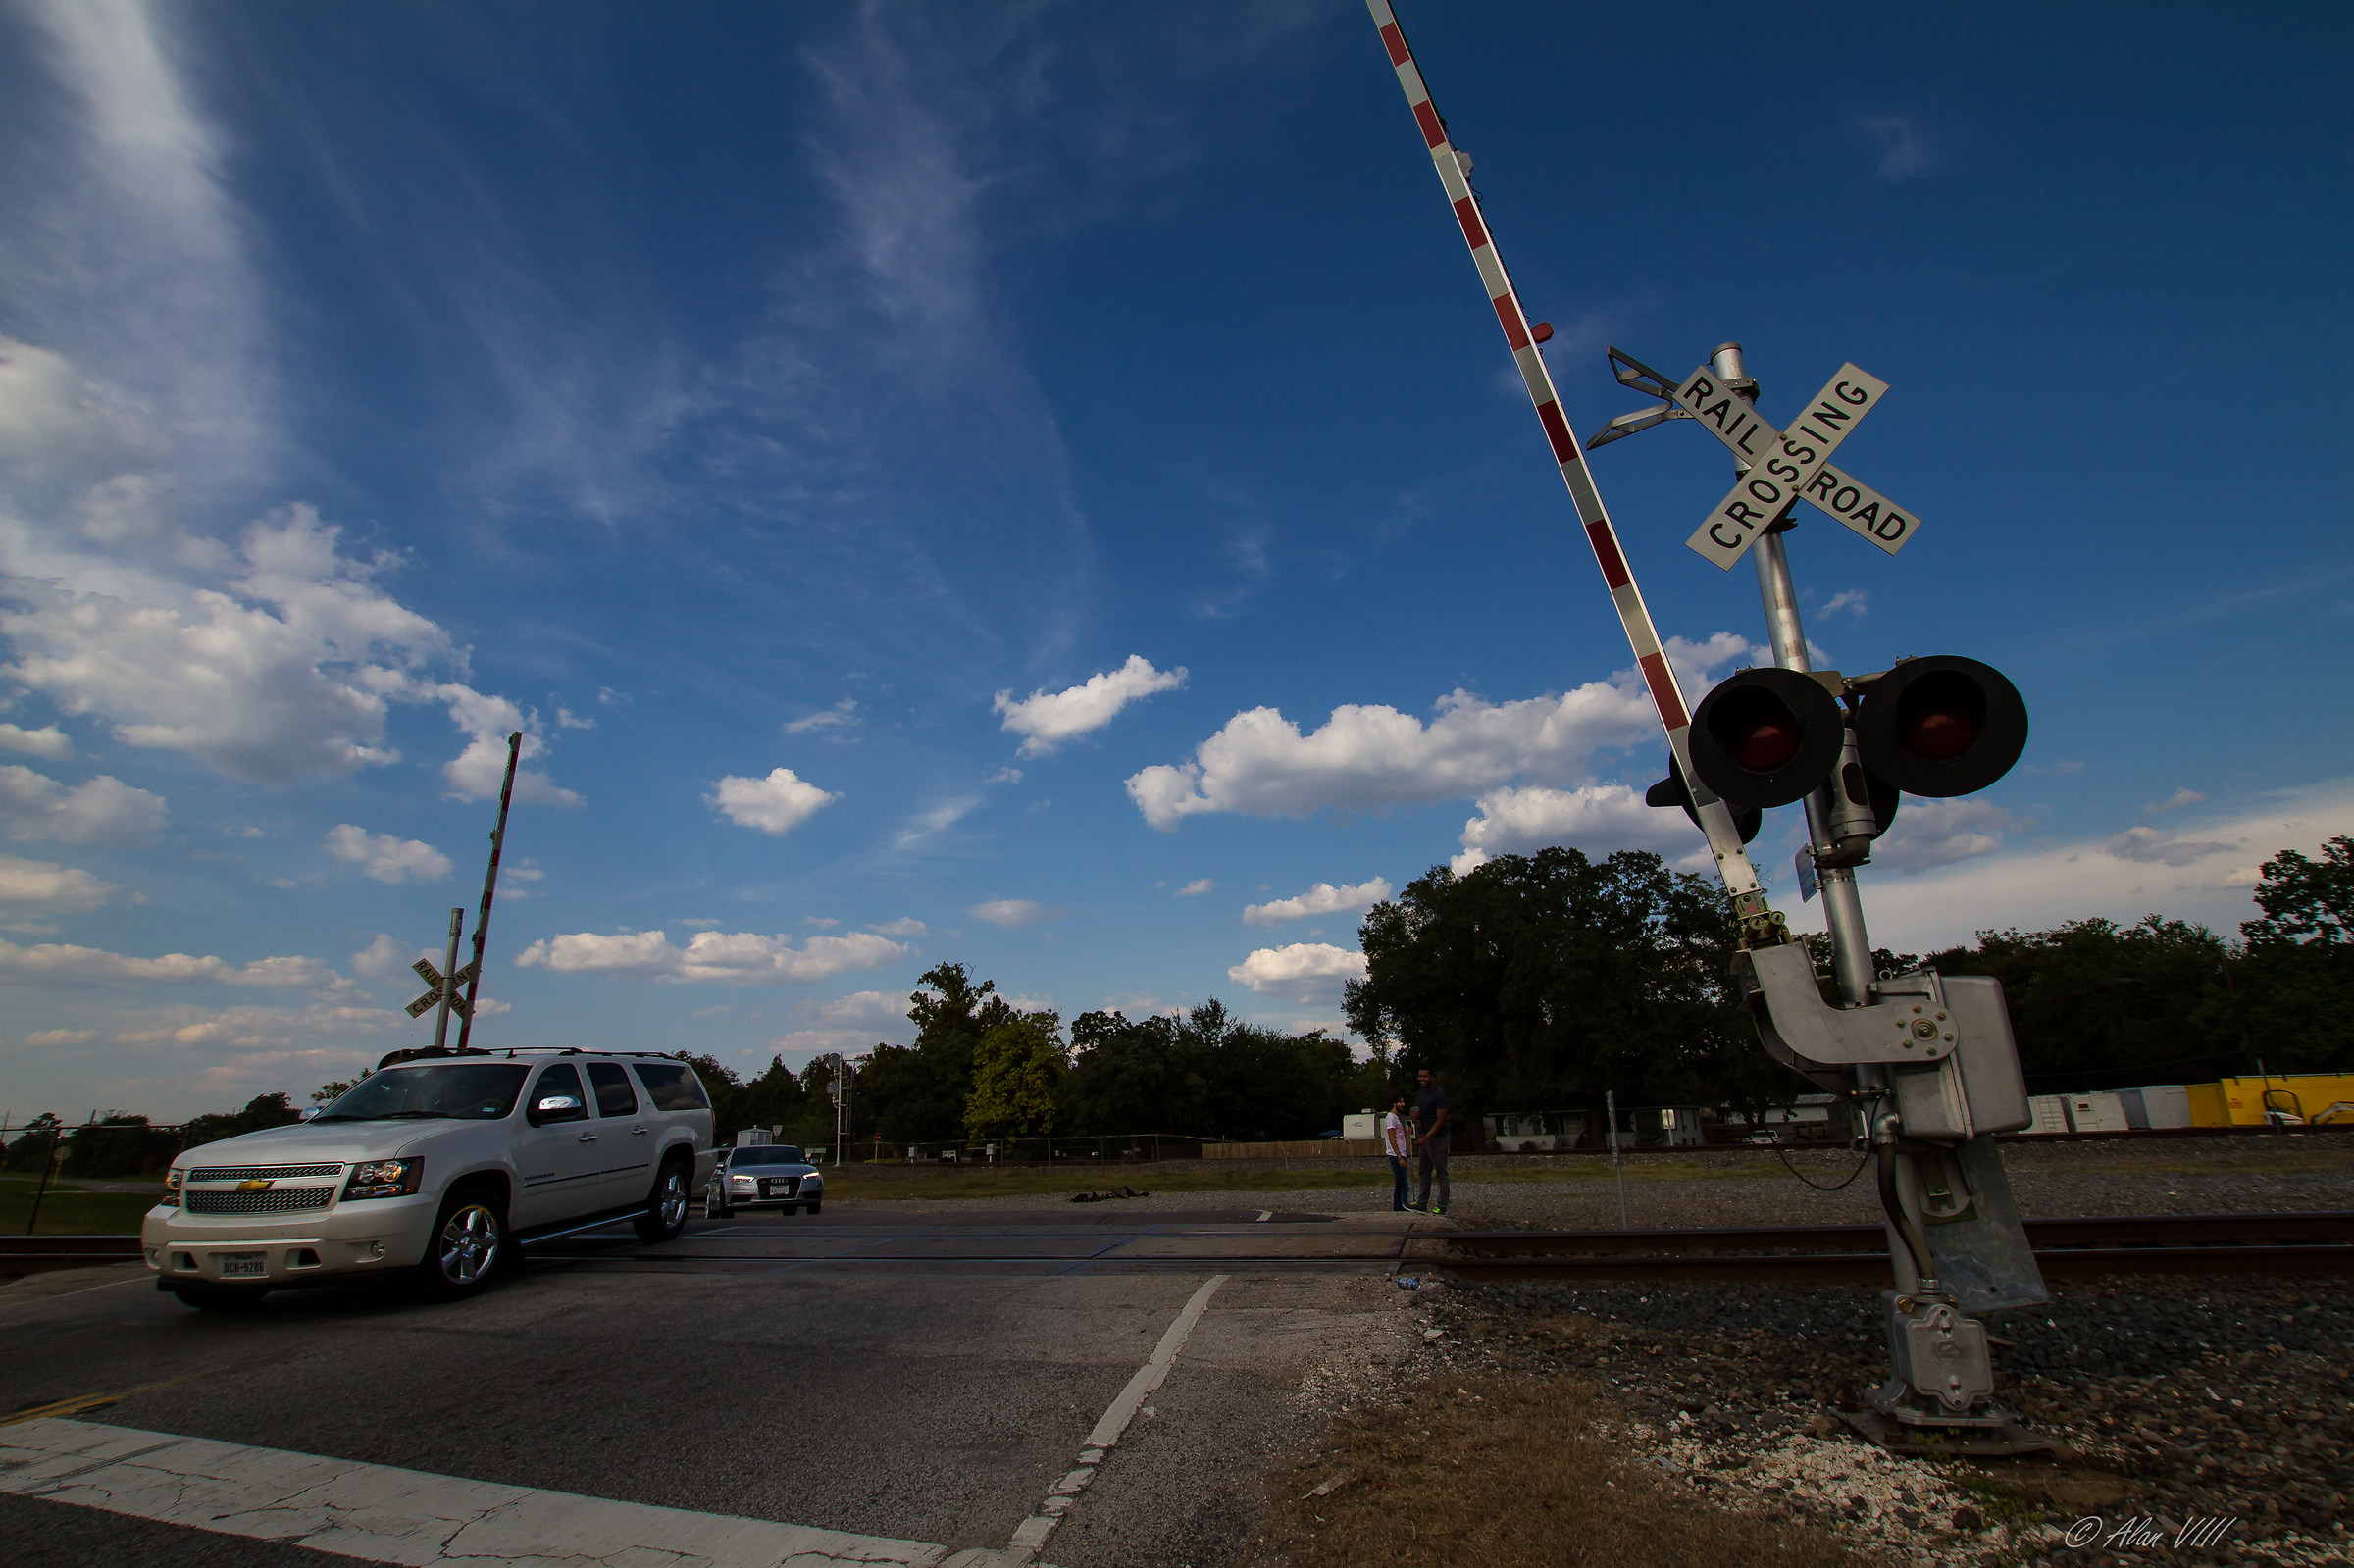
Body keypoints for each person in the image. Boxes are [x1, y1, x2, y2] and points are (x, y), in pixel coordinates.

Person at [1410, 1066, 1450, 1216]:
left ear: (1433, 1077)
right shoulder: (1421, 1094)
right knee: (1424, 1171)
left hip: (1438, 1138)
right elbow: (1423, 1115)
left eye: (1425, 1076)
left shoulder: (1439, 1094)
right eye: (1420, 1076)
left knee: (1441, 1173)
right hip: (1425, 1138)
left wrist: (1426, 1138)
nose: (1422, 1079)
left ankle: (1442, 1206)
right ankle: (1421, 1203)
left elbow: (1440, 1120)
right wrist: (1414, 1117)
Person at [1380, 1094, 1411, 1212]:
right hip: (1396, 1155)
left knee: (1399, 1184)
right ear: (1394, 1104)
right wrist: (1399, 1156)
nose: (1403, 1104)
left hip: (1399, 1154)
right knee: (1405, 1184)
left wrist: (1406, 1133)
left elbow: (1398, 1136)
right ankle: (1404, 1207)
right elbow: (1391, 1137)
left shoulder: (1396, 1118)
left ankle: (1398, 1209)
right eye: (1400, 1102)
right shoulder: (1391, 1117)